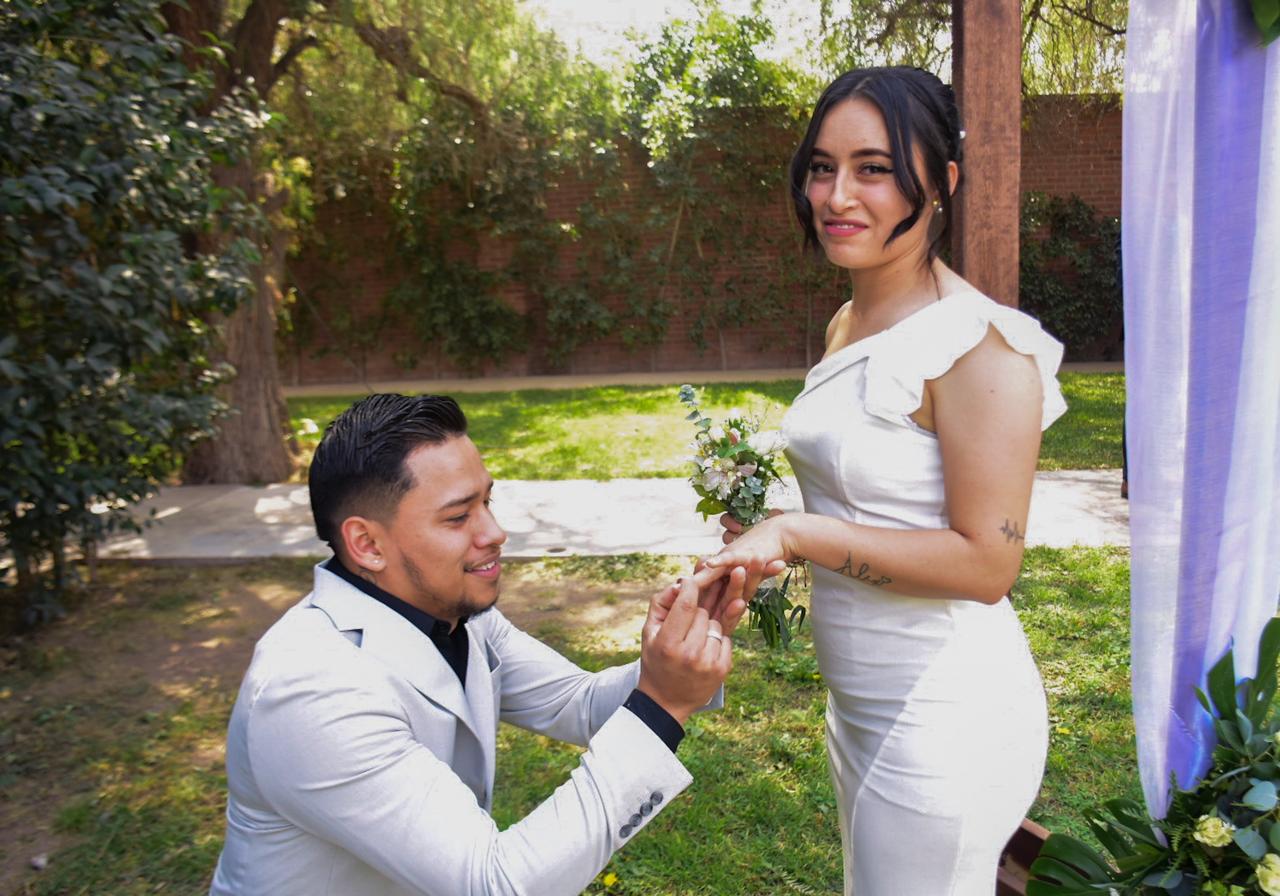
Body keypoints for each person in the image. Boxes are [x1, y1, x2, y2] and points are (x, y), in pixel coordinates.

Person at [707, 67, 1067, 895]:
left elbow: (988, 565)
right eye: (821, 167)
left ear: (941, 182)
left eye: (873, 168)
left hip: (945, 709)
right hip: (862, 702)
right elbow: (879, 502)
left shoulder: (981, 348)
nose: (837, 196)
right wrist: (773, 529)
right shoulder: (851, 319)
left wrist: (801, 533)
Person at [208, 393, 769, 896]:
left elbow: (575, 702)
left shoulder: (454, 612)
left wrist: (682, 646)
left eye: (487, 502)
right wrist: (662, 704)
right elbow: (495, 882)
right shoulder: (310, 692)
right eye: (458, 517)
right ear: (367, 544)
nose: (495, 533)